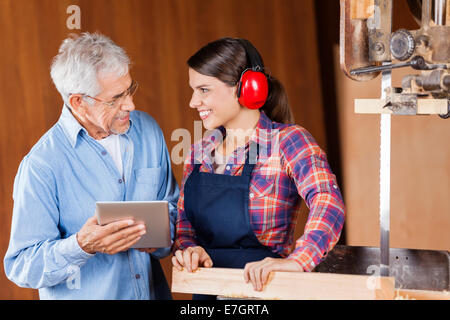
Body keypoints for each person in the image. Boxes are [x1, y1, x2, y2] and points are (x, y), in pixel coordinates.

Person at [4, 33, 179, 300]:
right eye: (115, 99)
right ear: (78, 103)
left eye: (130, 90)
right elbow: (21, 266)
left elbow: (173, 209)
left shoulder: (148, 130)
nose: (130, 105)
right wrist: (81, 246)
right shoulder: (41, 165)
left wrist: (161, 236)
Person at [172, 37, 345, 296]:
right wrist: (189, 250)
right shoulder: (200, 151)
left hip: (265, 292)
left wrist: (300, 260)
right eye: (193, 90)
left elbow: (328, 201)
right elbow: (185, 223)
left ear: (246, 88)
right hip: (207, 292)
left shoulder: (286, 142)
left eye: (204, 90)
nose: (193, 102)